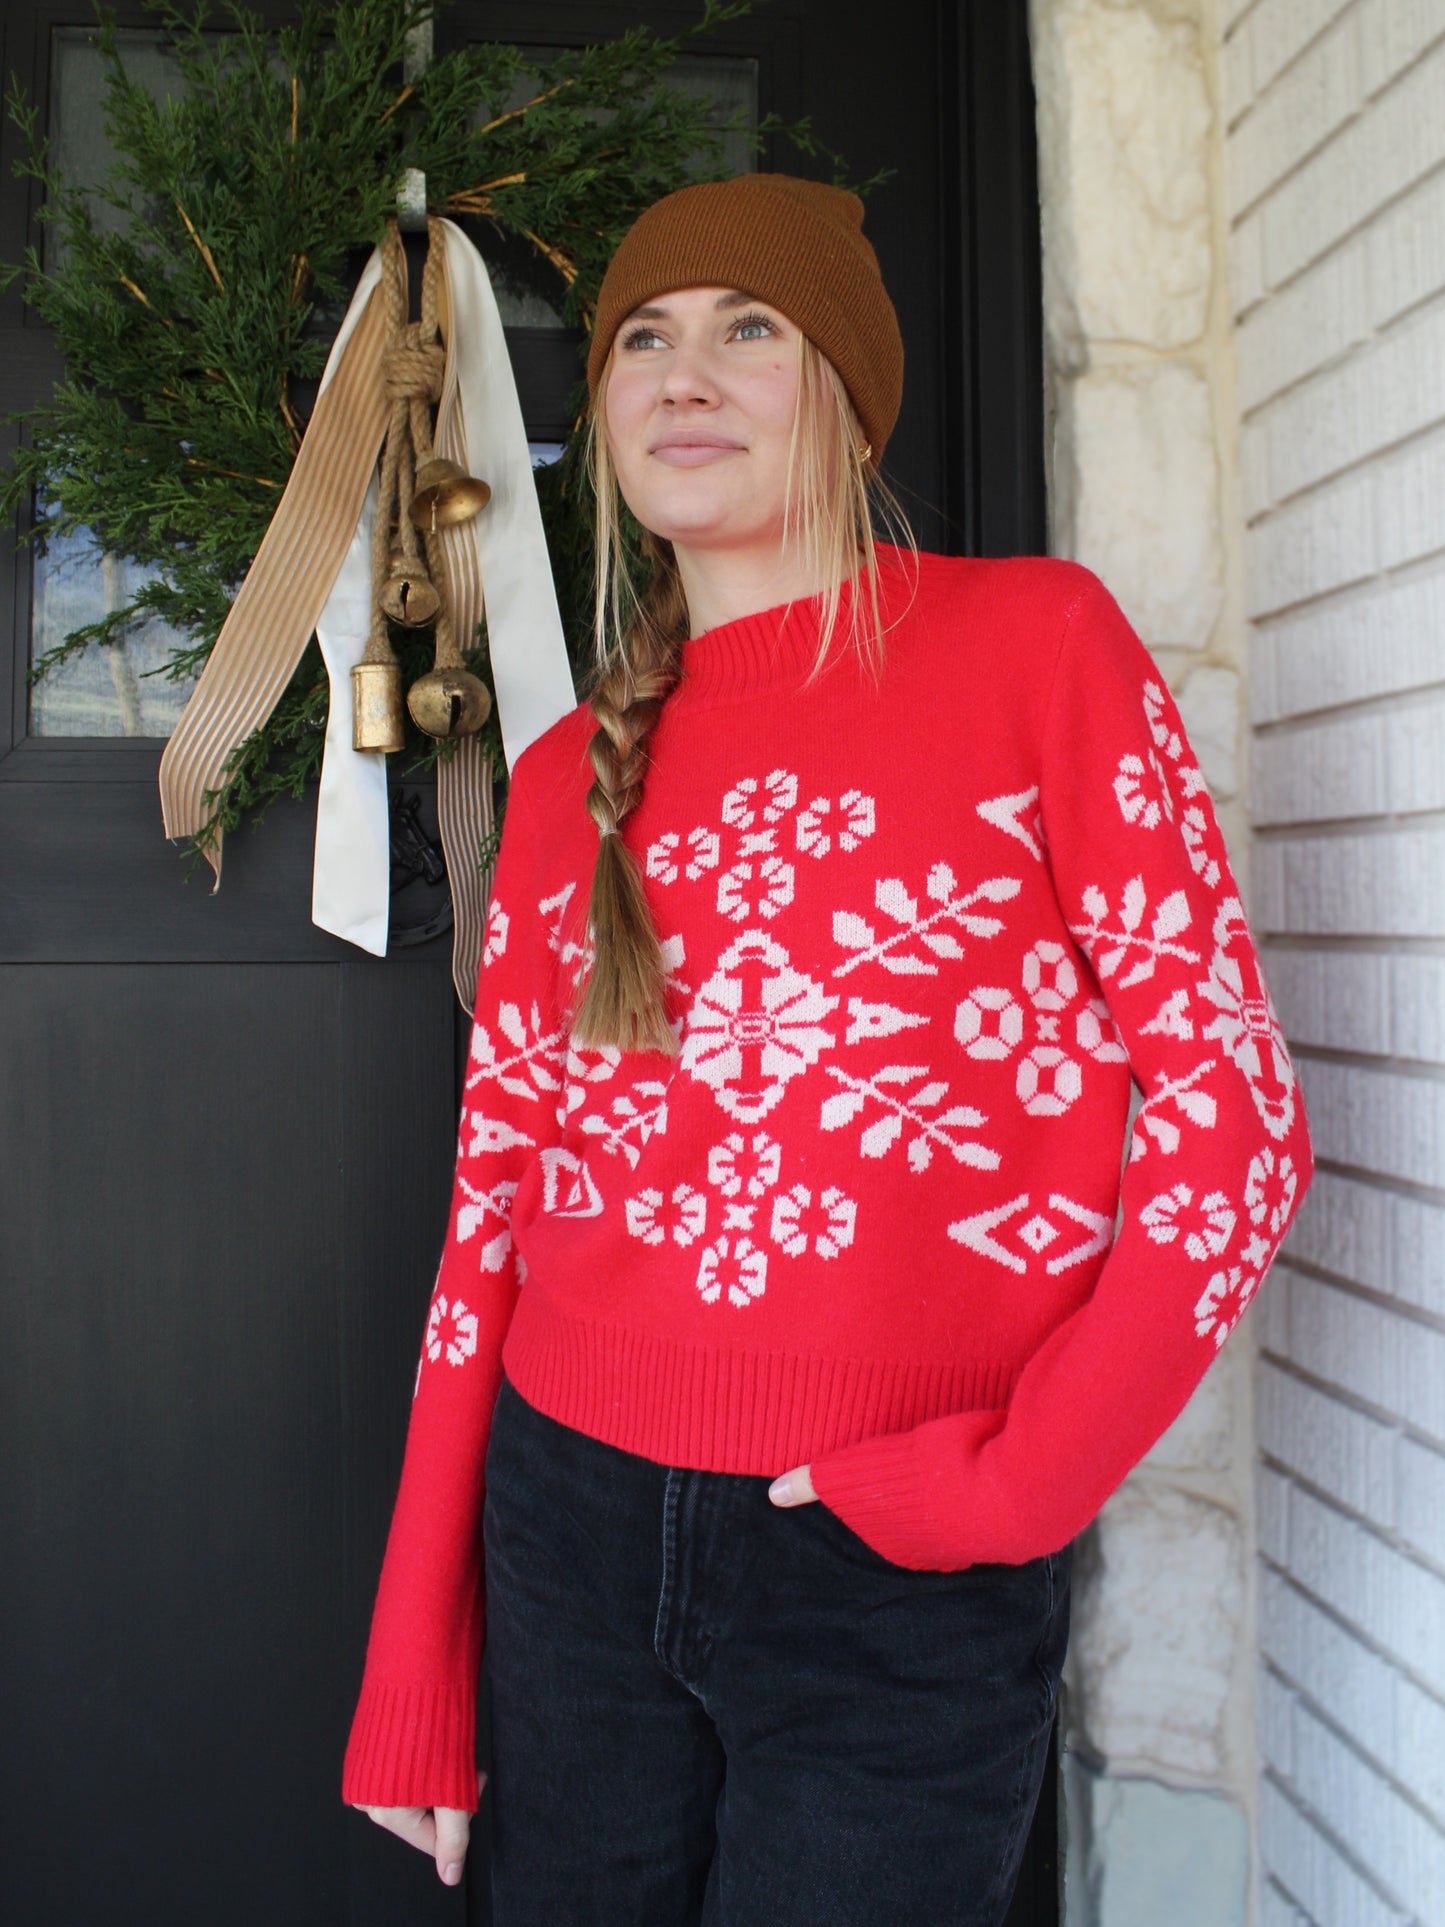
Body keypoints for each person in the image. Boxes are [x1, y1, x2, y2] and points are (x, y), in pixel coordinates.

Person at [342, 173, 1312, 1924]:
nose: (681, 375)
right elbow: (485, 1223)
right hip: (566, 1545)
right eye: (643, 337)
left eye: (747, 331)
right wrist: (415, 1658)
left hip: (895, 1568)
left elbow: (1229, 1118)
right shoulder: (567, 780)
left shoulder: (1035, 646)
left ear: (846, 402)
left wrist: (1014, 1487)